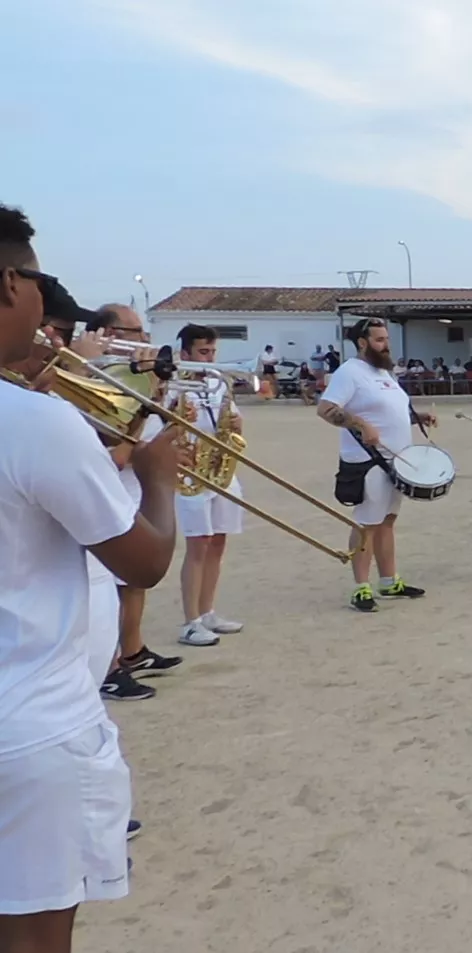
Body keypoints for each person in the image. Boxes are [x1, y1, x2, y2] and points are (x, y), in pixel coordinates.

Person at [0, 202, 183, 953]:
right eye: (41, 284)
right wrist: (158, 479)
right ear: (10, 284)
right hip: (31, 725)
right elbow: (144, 560)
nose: (50, 311)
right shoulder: (37, 424)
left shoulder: (35, 414)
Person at [88, 306, 182, 700]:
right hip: (112, 488)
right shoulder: (95, 377)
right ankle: (107, 666)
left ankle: (133, 650)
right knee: (108, 582)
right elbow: (117, 449)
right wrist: (145, 408)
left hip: (133, 489)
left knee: (134, 581)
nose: (145, 341)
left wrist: (164, 404)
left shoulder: (134, 374)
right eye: (137, 332)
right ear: (110, 332)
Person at [317, 317, 436, 612]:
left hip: (396, 459)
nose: (386, 345)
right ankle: (361, 587)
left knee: (387, 521)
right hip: (369, 461)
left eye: (387, 339)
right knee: (367, 522)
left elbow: (386, 409)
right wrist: (359, 424)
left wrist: (415, 416)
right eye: (380, 340)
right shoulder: (350, 372)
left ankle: (388, 581)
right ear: (362, 342)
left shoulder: (384, 372)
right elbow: (326, 408)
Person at [169, 324, 247, 647]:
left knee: (218, 542)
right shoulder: (173, 385)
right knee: (198, 545)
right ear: (185, 354)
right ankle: (191, 622)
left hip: (220, 471)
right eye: (203, 352)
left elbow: (232, 418)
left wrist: (237, 425)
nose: (210, 357)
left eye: (213, 351)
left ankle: (208, 611)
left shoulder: (217, 383)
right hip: (190, 473)